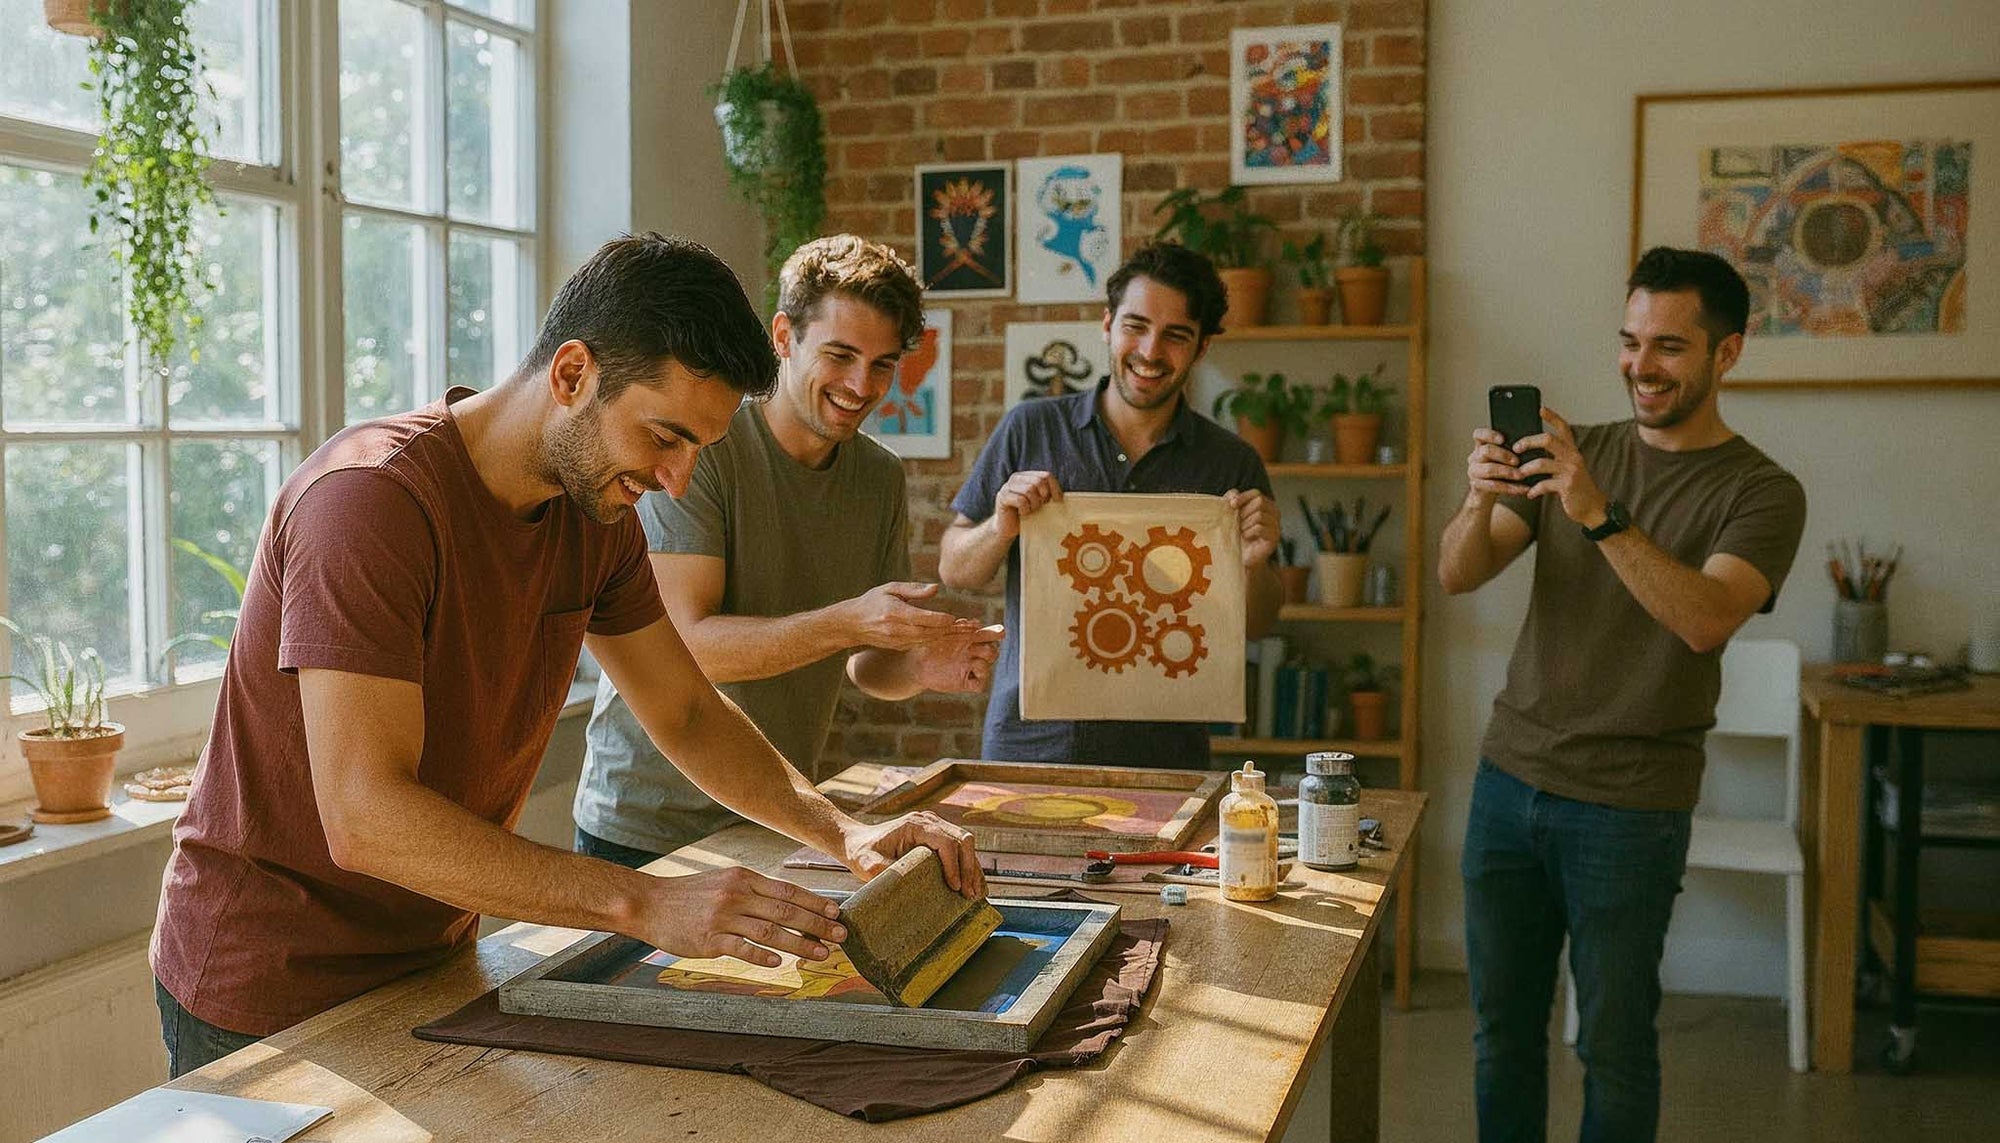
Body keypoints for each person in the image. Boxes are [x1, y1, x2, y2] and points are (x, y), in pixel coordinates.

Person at [150, 234, 984, 1079]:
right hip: (265, 985)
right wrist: (644, 901)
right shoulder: (369, 501)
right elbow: (365, 815)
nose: (677, 480)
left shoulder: (596, 519)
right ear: (573, 373)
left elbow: (687, 710)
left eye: (698, 448)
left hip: (433, 954)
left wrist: (846, 831)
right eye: (665, 436)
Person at [1437, 246, 1807, 1142]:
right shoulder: (1579, 452)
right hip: (1508, 782)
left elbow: (1705, 618)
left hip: (1631, 810)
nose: (1642, 365)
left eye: (1670, 346)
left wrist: (1599, 513)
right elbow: (1457, 573)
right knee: (1501, 1038)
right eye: (1631, 341)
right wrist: (1479, 499)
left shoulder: (1762, 491)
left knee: (1614, 1048)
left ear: (1727, 353)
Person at [574, 235, 1002, 868]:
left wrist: (915, 667)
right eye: (840, 355)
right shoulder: (700, 447)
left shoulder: (880, 476)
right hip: (651, 819)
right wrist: (847, 622)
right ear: (783, 337)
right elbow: (687, 647)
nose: (860, 384)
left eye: (882, 364)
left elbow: (866, 665)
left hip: (784, 813)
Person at [938, 241, 1283, 768]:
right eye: (1135, 326)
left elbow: (1257, 625)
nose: (1150, 351)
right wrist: (1000, 527)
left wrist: (1254, 564)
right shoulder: (1031, 428)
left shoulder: (1230, 462)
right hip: (1029, 747)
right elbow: (954, 569)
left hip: (1167, 758)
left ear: (1201, 348)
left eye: (1176, 335)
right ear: (1107, 325)